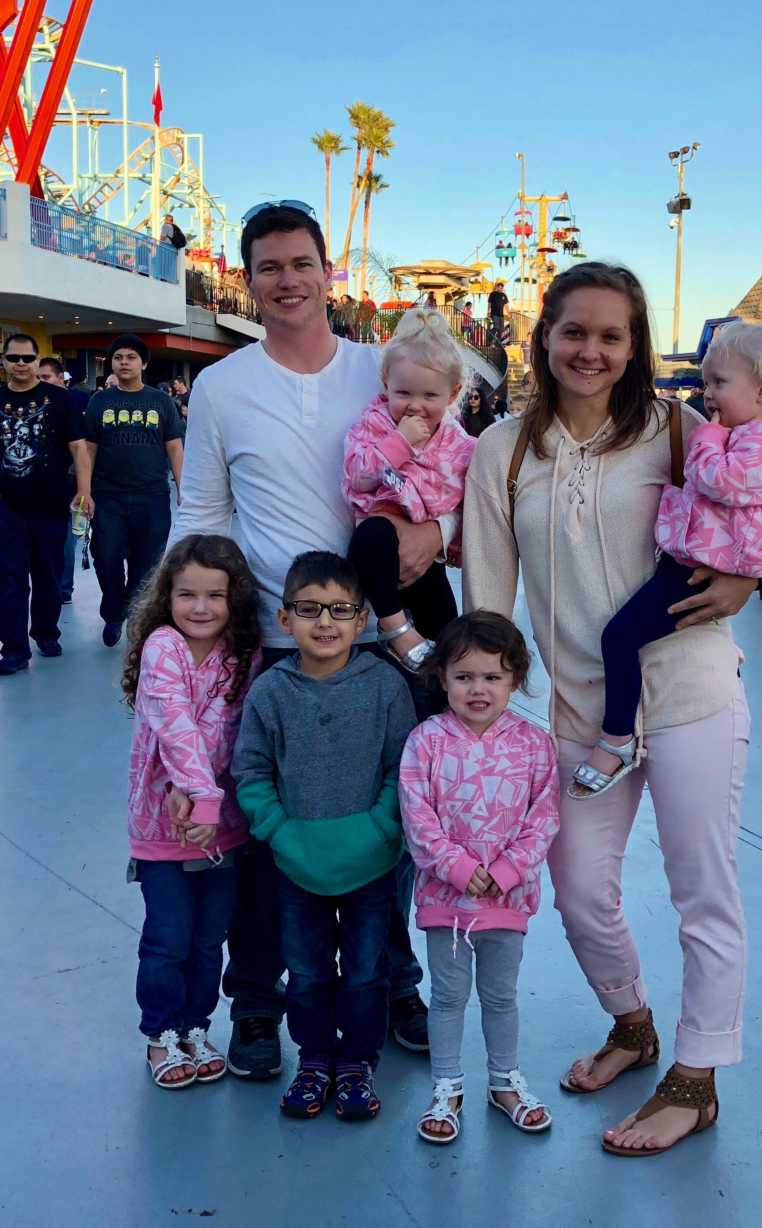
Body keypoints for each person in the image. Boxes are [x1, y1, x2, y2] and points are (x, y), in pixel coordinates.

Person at [463, 262, 758, 1157]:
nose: (590, 350)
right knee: (581, 890)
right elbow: (488, 594)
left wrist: (749, 574)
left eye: (611, 335)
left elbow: (759, 512)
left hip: (694, 698)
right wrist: (486, 710)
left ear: (633, 347)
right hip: (583, 720)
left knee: (702, 893)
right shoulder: (504, 449)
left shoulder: (682, 431)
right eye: (574, 331)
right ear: (542, 337)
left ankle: (697, 1078)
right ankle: (633, 1025)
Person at [168, 201, 450, 1077]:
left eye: (301, 262)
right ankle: (257, 1007)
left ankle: (394, 984)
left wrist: (434, 537)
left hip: (382, 646)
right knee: (266, 834)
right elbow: (203, 513)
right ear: (247, 280)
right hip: (274, 649)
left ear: (328, 271)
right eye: (268, 267)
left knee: (391, 825)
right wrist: (178, 639)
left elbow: (457, 469)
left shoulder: (382, 370)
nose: (286, 280)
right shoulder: (222, 385)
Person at [568, 319, 762, 800]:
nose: (708, 395)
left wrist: (705, 442)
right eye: (708, 382)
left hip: (698, 568)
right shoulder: (758, 436)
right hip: (701, 560)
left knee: (619, 637)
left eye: (720, 383)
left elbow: (720, 482)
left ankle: (617, 738)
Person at [232, 551, 416, 1120]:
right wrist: (280, 832)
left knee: (365, 970)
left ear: (361, 619)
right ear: (284, 620)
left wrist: (380, 828)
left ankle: (357, 1060)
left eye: (340, 609)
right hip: (296, 865)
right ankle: (315, 1059)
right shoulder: (270, 691)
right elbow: (251, 769)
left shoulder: (386, 685)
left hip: (370, 863)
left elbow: (403, 767)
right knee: (307, 972)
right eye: (308, 610)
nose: (325, 622)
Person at [400, 611, 559, 1144]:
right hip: (447, 901)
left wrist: (509, 870)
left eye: (493, 677)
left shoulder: (535, 746)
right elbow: (417, 818)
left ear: (515, 678)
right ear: (441, 677)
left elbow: (545, 817)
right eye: (464, 676)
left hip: (507, 902)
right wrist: (460, 869)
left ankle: (503, 1080)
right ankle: (447, 1084)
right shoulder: (425, 743)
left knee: (500, 995)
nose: (478, 689)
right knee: (446, 999)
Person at [123, 533, 261, 1089]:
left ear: (234, 599)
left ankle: (196, 1027)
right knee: (168, 937)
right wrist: (193, 792)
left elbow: (229, 733)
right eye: (186, 595)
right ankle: (161, 1034)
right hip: (165, 826)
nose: (200, 608)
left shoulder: (242, 656)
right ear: (167, 598)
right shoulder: (162, 647)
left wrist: (204, 795)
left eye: (214, 595)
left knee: (209, 940)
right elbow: (174, 723)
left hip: (221, 832)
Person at [342, 309, 475, 669]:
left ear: (453, 394)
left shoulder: (460, 444)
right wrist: (398, 443)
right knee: (372, 537)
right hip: (378, 541)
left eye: (430, 395)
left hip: (428, 558)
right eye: (403, 392)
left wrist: (449, 539)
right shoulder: (375, 424)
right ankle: (395, 626)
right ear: (385, 383)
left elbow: (469, 499)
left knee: (445, 624)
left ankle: (444, 688)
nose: (415, 405)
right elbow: (357, 473)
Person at [0, 334, 93, 675]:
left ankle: (46, 632)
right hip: (6, 505)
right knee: (9, 579)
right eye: (13, 358)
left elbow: (79, 449)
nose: (20, 364)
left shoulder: (59, 400)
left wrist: (84, 492)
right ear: (4, 362)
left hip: (52, 503)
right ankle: (13, 649)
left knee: (48, 576)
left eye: (27, 358)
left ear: (38, 362)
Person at [84, 335, 184, 648]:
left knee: (148, 562)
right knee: (106, 556)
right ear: (111, 363)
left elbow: (174, 447)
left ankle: (138, 619)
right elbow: (88, 448)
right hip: (108, 496)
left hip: (152, 495)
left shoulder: (161, 401)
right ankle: (114, 611)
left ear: (143, 363)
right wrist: (84, 492)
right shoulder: (100, 402)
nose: (124, 362)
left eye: (130, 357)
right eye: (118, 358)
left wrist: (184, 489)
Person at [39, 357, 88, 605]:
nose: (41, 383)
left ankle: (63, 588)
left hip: (69, 482)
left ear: (61, 377)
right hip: (39, 486)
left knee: (66, 538)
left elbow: (83, 446)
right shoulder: (35, 403)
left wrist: (84, 488)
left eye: (45, 377)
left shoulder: (77, 400)